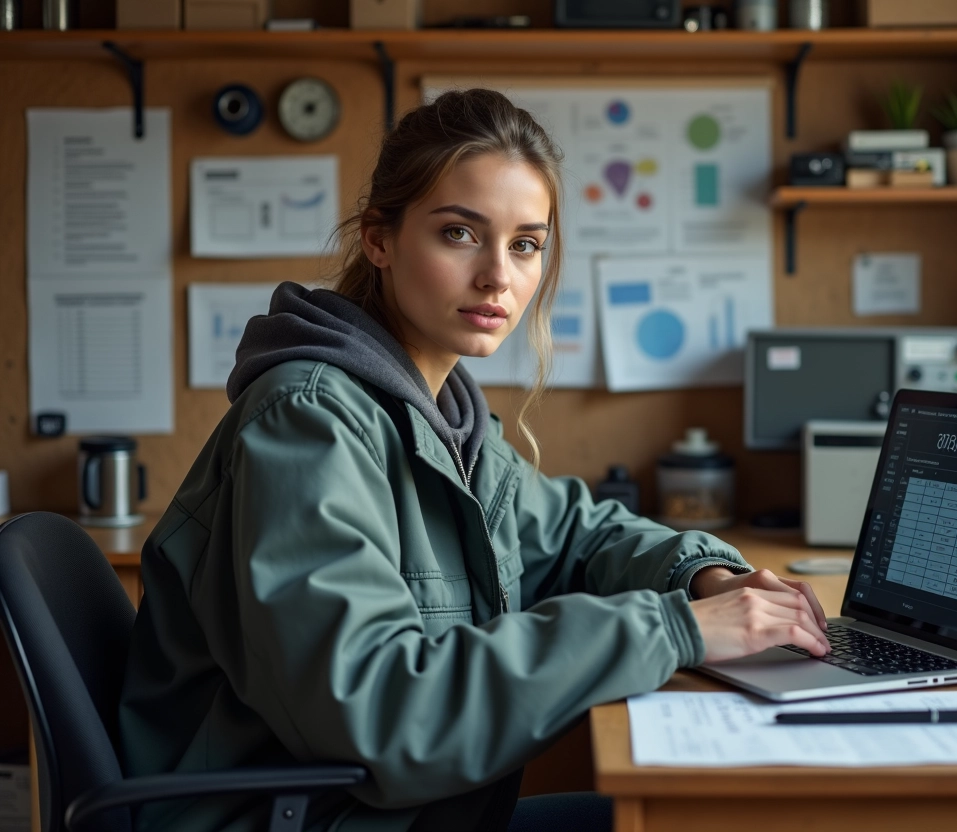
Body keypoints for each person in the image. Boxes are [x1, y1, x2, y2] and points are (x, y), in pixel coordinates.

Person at [118, 88, 830, 832]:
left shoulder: (448, 418)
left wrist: (706, 576)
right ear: (379, 239)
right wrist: (679, 629)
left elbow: (578, 536)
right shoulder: (309, 421)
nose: (498, 276)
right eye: (460, 233)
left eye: (525, 244)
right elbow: (380, 708)